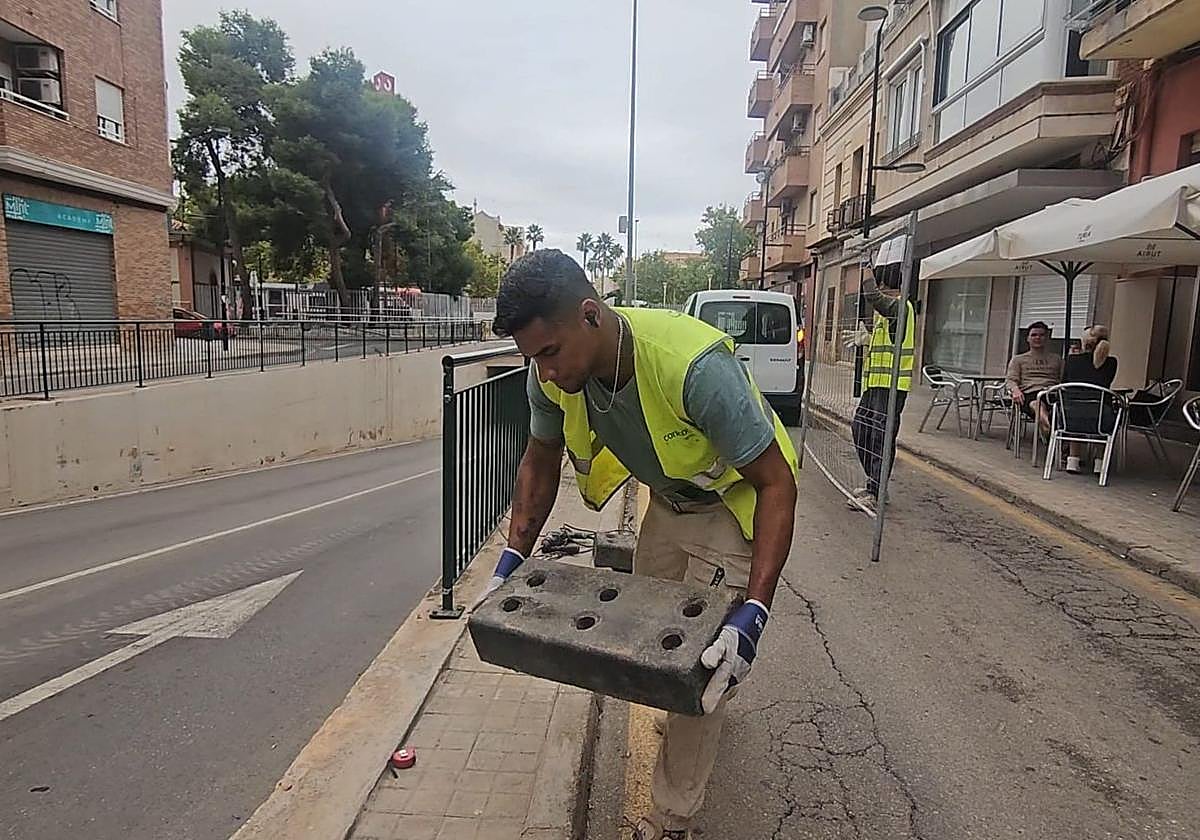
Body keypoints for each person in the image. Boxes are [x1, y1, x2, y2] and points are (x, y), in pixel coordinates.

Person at [476, 250, 799, 840]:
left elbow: (777, 482)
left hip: (729, 504)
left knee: (701, 663)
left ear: (590, 315)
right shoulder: (548, 371)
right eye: (532, 359)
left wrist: (754, 611)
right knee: (652, 641)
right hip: (666, 504)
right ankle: (689, 710)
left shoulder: (694, 367)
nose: (544, 373)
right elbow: (541, 457)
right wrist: (510, 562)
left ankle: (671, 818)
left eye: (549, 353)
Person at [844, 235, 916, 514]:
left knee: (880, 437)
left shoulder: (901, 307)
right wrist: (868, 339)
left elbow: (872, 296)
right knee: (861, 429)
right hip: (875, 385)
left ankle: (876, 490)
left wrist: (865, 261)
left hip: (892, 387)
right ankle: (874, 483)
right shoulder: (889, 314)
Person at [1059, 324, 1118, 474]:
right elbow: (1106, 383)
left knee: (1077, 408)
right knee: (1102, 411)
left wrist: (1074, 356)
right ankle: (1099, 463)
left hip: (1070, 415)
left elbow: (1065, 384)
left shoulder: (1072, 360)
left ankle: (1073, 460)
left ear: (1084, 342)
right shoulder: (1111, 363)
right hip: (1100, 415)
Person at [1005, 321, 1063, 437]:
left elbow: (1063, 379)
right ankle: (1050, 432)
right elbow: (1011, 379)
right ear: (1028, 338)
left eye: (1041, 335)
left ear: (1047, 338)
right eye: (1034, 335)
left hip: (1053, 393)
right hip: (1028, 394)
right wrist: (1015, 390)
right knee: (1037, 404)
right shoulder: (1018, 360)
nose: (1038, 338)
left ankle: (1052, 433)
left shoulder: (1057, 359)